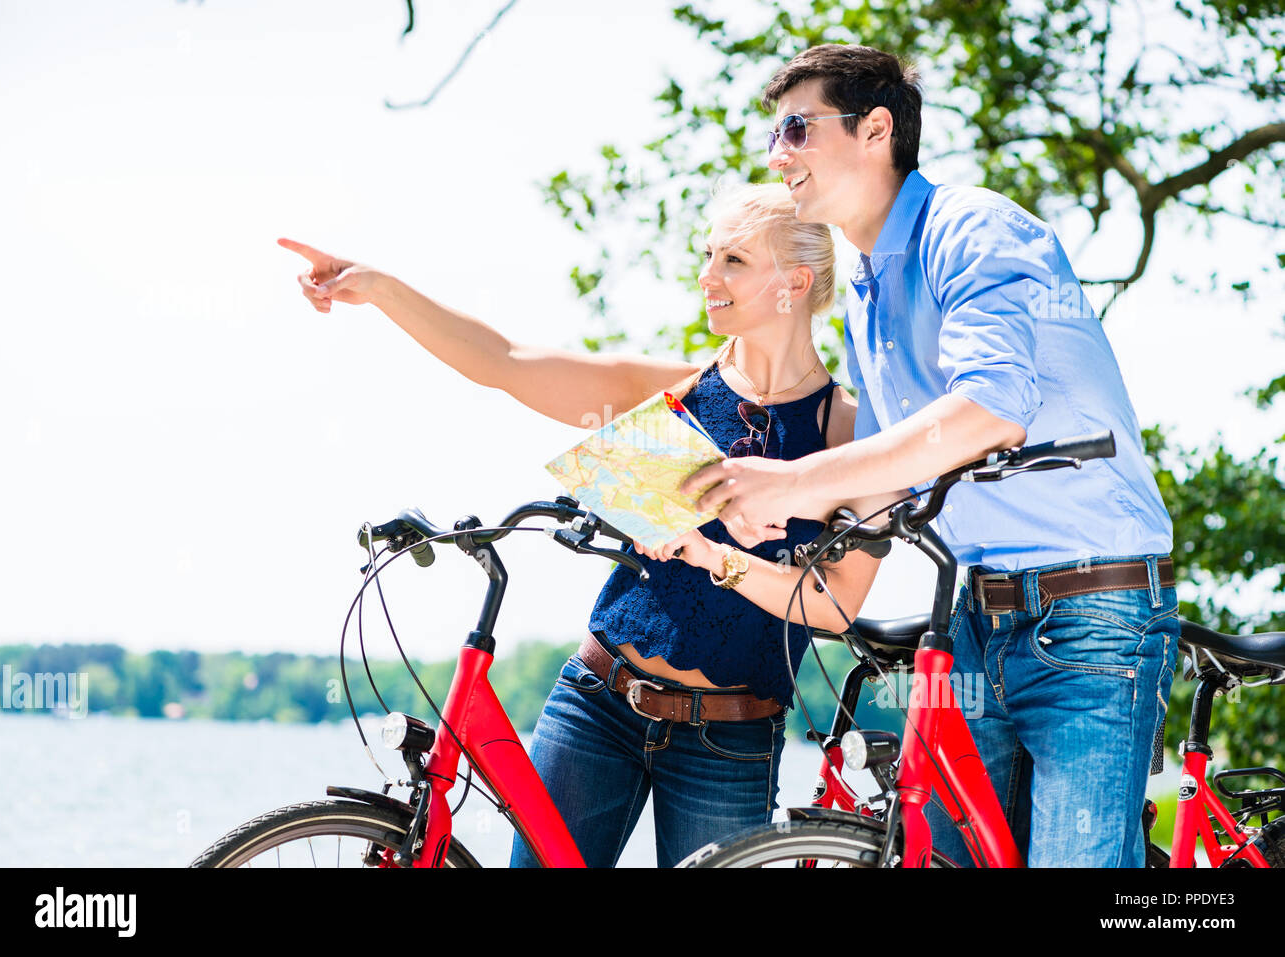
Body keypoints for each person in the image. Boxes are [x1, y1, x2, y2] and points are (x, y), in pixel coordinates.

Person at [279, 183, 897, 867]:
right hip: (597, 705)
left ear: (795, 281)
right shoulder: (677, 392)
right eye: (708, 255)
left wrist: (707, 553)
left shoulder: (847, 433)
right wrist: (378, 286)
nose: (707, 276)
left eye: (734, 261)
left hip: (731, 739)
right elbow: (505, 363)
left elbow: (835, 605)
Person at [683, 45, 1178, 867]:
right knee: (940, 854)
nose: (778, 154)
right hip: (972, 618)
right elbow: (886, 481)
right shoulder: (871, 289)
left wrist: (797, 480)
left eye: (798, 128)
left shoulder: (973, 229)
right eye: (775, 132)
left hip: (1091, 611)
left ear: (876, 130)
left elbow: (991, 407)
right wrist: (721, 518)